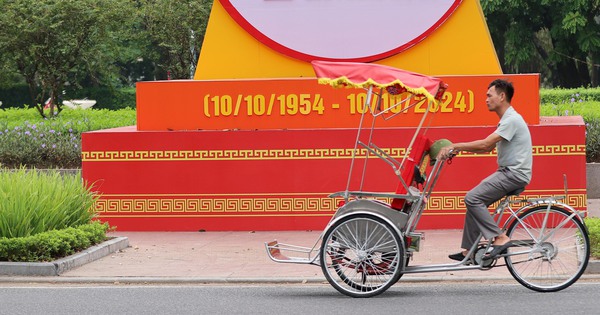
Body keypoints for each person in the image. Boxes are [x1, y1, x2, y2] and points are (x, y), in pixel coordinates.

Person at [437, 79, 532, 262]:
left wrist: (454, 146)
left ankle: (500, 237)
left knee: (472, 198)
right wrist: (457, 150)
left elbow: (486, 143)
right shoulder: (507, 120)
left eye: (489, 95)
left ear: (502, 96)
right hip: (508, 172)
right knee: (475, 201)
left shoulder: (511, 120)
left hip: (513, 174)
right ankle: (469, 252)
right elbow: (486, 149)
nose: (486, 99)